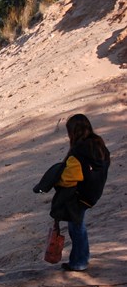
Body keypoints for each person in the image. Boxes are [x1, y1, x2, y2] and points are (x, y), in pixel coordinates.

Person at [50, 114, 110, 272]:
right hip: (93, 193)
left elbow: (71, 178)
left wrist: (56, 180)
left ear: (73, 132)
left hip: (80, 195)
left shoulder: (79, 151)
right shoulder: (99, 144)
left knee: (76, 228)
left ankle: (79, 262)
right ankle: (80, 259)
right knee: (78, 226)